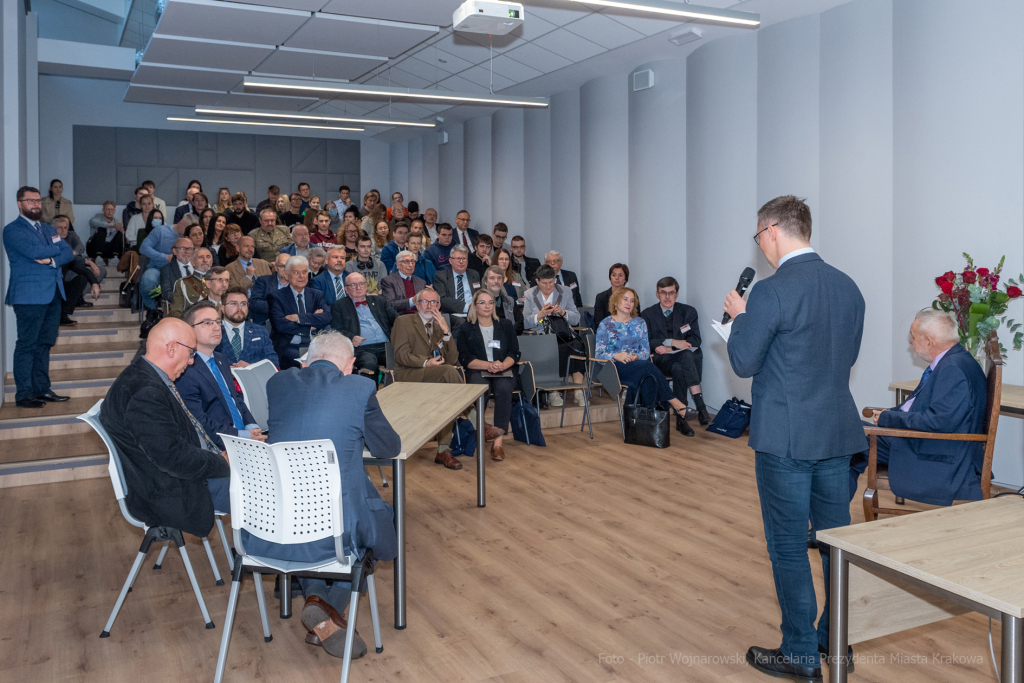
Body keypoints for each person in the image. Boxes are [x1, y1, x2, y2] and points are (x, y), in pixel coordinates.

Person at [723, 195, 865, 682]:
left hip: (784, 436)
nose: (760, 246)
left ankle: (801, 653)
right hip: (836, 431)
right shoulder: (848, 287)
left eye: (758, 236)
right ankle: (833, 635)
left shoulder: (771, 291)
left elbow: (743, 361)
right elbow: (837, 359)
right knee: (833, 542)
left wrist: (741, 316)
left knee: (787, 547)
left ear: (771, 231)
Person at [242, 330, 400, 660]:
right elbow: (389, 447)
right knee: (380, 523)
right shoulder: (360, 386)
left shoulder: (278, 384)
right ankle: (329, 605)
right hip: (339, 525)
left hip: (278, 520)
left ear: (308, 359)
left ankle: (315, 599)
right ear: (350, 364)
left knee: (307, 534)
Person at [100, 317, 232, 536]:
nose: (192, 361)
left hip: (181, 477)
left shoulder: (143, 375)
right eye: (191, 353)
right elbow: (173, 458)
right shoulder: (145, 392)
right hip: (176, 492)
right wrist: (222, 462)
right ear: (171, 349)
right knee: (265, 486)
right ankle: (258, 557)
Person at [850, 310, 987, 506]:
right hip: (927, 443)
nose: (910, 342)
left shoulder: (952, 369)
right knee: (849, 436)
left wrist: (888, 419)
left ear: (929, 341)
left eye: (912, 337)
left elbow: (938, 421)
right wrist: (889, 414)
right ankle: (830, 522)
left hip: (935, 453)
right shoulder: (955, 360)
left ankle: (829, 523)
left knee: (846, 443)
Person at [4, 187, 75, 407]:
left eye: (37, 200)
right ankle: (24, 394)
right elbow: (34, 252)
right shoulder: (12, 230)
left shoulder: (48, 228)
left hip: (53, 294)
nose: (36, 204)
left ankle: (42, 389)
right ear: (19, 203)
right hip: (29, 296)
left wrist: (51, 259)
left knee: (44, 343)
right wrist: (51, 251)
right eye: (30, 201)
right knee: (27, 344)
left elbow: (68, 252)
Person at [596, 287, 694, 435]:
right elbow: (599, 353)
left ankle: (644, 430)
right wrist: (617, 356)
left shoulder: (640, 322)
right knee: (647, 369)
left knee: (647, 375)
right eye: (625, 299)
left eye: (632, 300)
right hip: (614, 367)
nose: (629, 303)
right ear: (616, 301)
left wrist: (637, 356)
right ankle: (674, 404)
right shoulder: (606, 324)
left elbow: (645, 351)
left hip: (638, 366)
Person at [174, 301, 264, 450]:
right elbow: (199, 421)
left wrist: (251, 425)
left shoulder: (220, 359)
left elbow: (235, 398)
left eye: (217, 321)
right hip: (218, 446)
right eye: (207, 323)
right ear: (189, 330)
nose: (216, 327)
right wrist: (243, 436)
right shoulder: (185, 368)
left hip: (244, 438)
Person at [390, 289, 464, 470]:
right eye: (425, 302)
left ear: (439, 306)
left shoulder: (440, 325)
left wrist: (447, 333)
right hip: (410, 375)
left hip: (436, 376)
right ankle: (475, 419)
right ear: (417, 304)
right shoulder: (403, 321)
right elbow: (400, 355)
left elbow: (453, 358)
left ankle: (443, 450)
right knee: (449, 373)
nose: (429, 306)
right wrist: (425, 363)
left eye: (434, 303)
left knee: (450, 395)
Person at [455, 289, 519, 461]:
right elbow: (466, 359)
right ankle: (479, 434)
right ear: (474, 306)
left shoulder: (505, 325)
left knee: (504, 390)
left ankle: (498, 443)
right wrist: (489, 365)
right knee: (480, 390)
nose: (487, 306)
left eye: (490, 302)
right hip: (478, 369)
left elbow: (515, 352)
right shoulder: (465, 328)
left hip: (503, 369)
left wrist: (503, 365)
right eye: (482, 302)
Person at [641, 276, 709, 426]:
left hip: (682, 361)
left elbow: (696, 339)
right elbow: (645, 341)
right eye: (663, 292)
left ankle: (681, 419)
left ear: (677, 294)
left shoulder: (688, 312)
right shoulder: (647, 314)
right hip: (661, 361)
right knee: (684, 355)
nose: (667, 297)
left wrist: (671, 348)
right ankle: (700, 405)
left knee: (680, 366)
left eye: (671, 293)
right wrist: (670, 342)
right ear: (657, 294)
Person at [523, 264, 585, 407]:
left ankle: (578, 390)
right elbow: (525, 323)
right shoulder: (530, 294)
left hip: (563, 333)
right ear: (537, 281)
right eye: (544, 283)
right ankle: (553, 391)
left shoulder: (566, 291)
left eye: (551, 282)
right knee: (551, 346)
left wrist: (562, 312)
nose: (548, 286)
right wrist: (539, 316)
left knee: (577, 345)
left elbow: (575, 319)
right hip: (541, 336)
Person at [330, 272, 398, 379]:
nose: (358, 287)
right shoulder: (339, 305)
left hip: (385, 346)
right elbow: (336, 329)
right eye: (353, 285)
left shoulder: (379, 301)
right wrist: (351, 338)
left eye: (361, 284)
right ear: (346, 289)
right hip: (362, 348)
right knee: (369, 365)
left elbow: (397, 320)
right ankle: (371, 395)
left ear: (366, 286)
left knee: (401, 360)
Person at [268, 255, 331, 369]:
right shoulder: (276, 297)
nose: (301, 276)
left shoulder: (316, 294)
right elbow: (280, 325)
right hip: (290, 346)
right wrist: (309, 326)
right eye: (296, 272)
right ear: (287, 275)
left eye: (304, 272)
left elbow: (326, 317)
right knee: (309, 363)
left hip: (314, 345)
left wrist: (298, 318)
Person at [52, 215, 102, 326]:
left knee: (81, 278)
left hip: (61, 283)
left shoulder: (66, 244)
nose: (63, 230)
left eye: (65, 227)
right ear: (53, 230)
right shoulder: (50, 244)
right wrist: (88, 262)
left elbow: (77, 265)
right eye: (59, 227)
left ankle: (63, 314)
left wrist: (94, 282)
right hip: (48, 285)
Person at [216, 286, 279, 367]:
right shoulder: (214, 331)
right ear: (223, 308)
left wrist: (251, 367)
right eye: (233, 304)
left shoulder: (260, 331)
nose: (239, 308)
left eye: (243, 304)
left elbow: (274, 363)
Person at [433, 245, 481, 330]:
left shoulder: (474, 275)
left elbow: (479, 295)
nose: (461, 261)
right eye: (458, 258)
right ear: (451, 260)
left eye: (464, 258)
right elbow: (442, 299)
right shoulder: (441, 276)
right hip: (452, 314)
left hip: (474, 313)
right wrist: (467, 307)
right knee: (462, 323)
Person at [249, 253, 291, 326]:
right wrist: (277, 306)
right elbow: (253, 303)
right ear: (276, 267)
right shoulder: (263, 281)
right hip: (268, 323)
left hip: (291, 324)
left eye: (288, 266)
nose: (285, 269)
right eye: (282, 266)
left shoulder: (298, 283)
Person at [482, 265, 523, 334]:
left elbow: (520, 324)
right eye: (492, 278)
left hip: (509, 339)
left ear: (503, 281)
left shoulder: (510, 301)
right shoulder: (479, 302)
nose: (496, 281)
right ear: (485, 282)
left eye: (499, 278)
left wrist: (508, 332)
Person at [159, 238, 197, 308]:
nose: (187, 251)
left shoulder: (198, 267)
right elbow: (167, 294)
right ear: (174, 251)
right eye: (183, 248)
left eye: (190, 248)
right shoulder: (167, 270)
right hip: (179, 308)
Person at [593, 263, 629, 329]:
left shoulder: (631, 297)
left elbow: (636, 319)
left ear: (625, 279)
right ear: (610, 278)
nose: (616, 278)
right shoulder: (601, 297)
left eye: (620, 275)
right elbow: (599, 323)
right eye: (613, 275)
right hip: (608, 333)